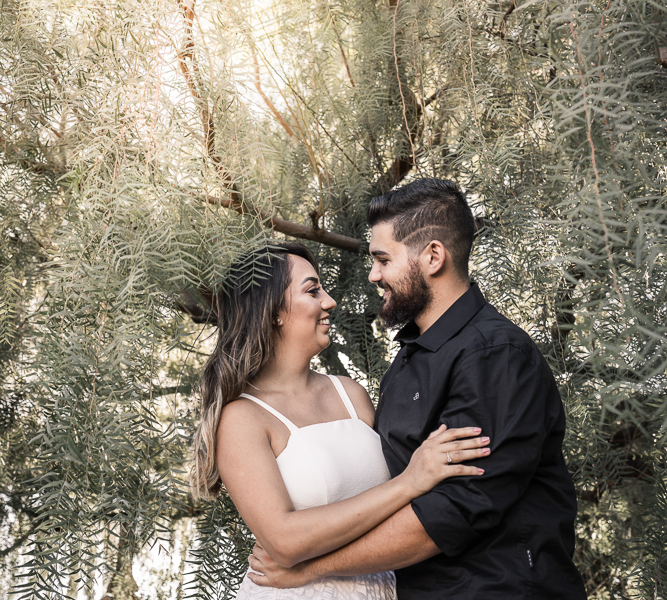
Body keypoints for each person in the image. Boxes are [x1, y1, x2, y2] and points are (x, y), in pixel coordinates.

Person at [248, 179, 587, 599]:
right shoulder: (412, 356)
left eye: (383, 259)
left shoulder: (494, 355)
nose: (373, 275)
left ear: (432, 256)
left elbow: (452, 512)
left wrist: (312, 569)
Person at [190, 241, 492, 599]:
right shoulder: (242, 418)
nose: (329, 301)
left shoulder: (351, 393)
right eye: (313, 290)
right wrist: (409, 482)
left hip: (382, 587)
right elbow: (285, 541)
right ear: (273, 311)